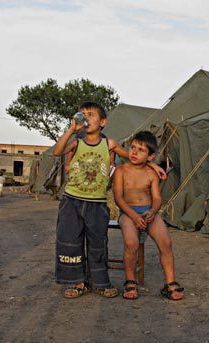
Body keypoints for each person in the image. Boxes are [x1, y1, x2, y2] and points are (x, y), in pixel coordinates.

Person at [52, 101, 165, 299]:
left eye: (90, 115)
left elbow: (132, 158)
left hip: (97, 203)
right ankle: (79, 282)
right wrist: (71, 129)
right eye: (82, 114)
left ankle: (100, 283)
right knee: (72, 241)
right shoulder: (76, 143)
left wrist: (153, 165)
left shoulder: (109, 144)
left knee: (97, 243)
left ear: (103, 122)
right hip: (72, 201)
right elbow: (57, 151)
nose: (85, 118)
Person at [113, 130, 184, 301]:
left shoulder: (151, 173)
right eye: (133, 147)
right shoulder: (121, 171)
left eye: (141, 150)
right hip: (127, 212)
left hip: (148, 212)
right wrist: (133, 216)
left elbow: (158, 198)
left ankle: (170, 283)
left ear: (150, 156)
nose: (134, 152)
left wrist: (151, 212)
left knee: (166, 242)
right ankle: (130, 281)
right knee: (131, 242)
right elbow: (118, 198)